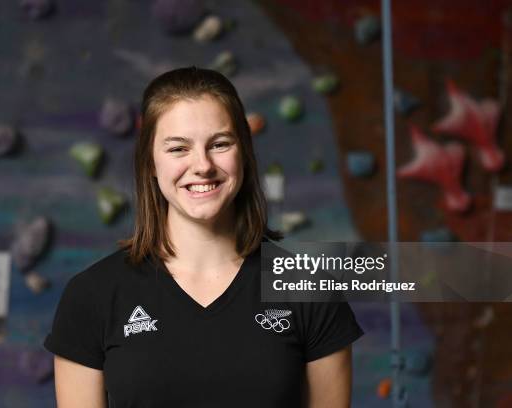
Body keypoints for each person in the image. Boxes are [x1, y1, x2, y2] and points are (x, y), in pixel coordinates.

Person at [43, 66, 364, 407]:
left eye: (220, 144)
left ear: (244, 153)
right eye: (178, 148)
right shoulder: (92, 296)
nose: (203, 165)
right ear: (151, 162)